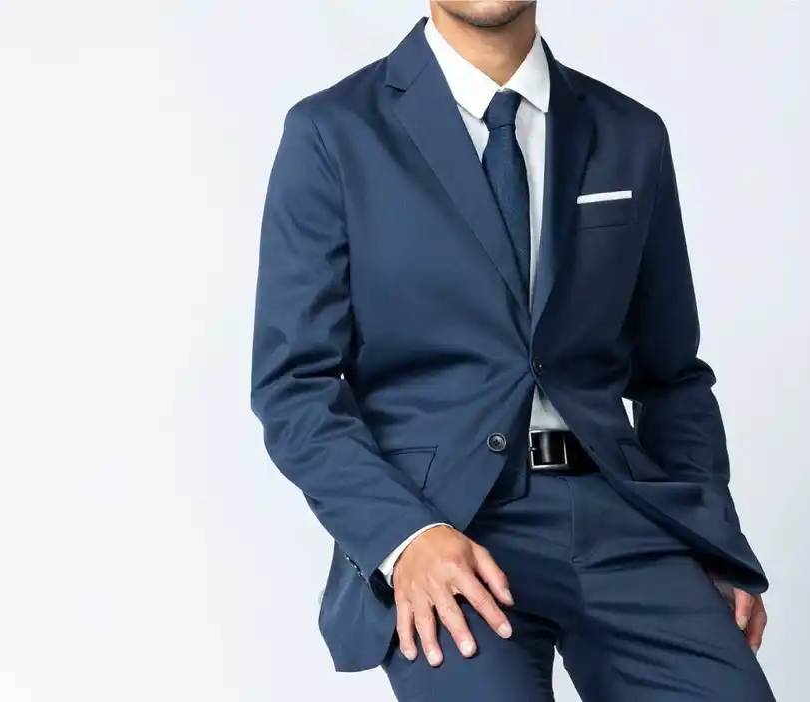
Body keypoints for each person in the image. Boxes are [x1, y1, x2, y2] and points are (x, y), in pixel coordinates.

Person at [250, 2, 775, 699]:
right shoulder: (335, 132)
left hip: (623, 515)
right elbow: (293, 384)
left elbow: (671, 375)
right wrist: (405, 538)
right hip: (448, 522)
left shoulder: (629, 133)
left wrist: (711, 535)